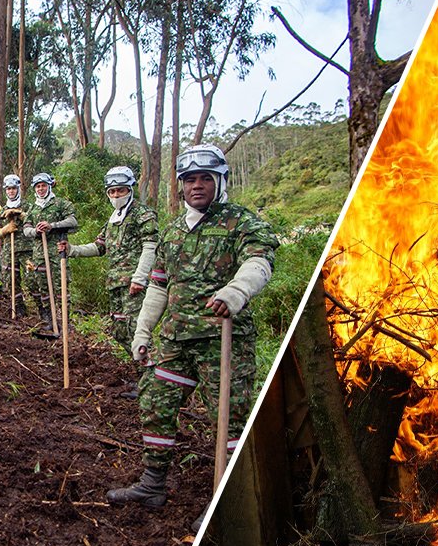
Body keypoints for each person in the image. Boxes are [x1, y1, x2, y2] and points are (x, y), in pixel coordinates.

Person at [106, 144, 278, 525]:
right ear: (180, 185)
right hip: (175, 339)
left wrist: (236, 291)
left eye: (205, 179)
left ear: (219, 181)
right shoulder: (172, 231)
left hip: (223, 340)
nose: (197, 186)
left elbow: (260, 261)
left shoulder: (241, 222)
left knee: (229, 420)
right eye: (189, 180)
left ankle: (227, 501)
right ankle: (153, 484)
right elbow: (159, 285)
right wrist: (143, 330)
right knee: (155, 402)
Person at [60, 166, 157, 394]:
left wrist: (140, 278)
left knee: (137, 331)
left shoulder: (143, 215)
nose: (116, 196)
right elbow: (99, 246)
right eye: (112, 192)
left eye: (120, 191)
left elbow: (151, 246)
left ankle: (151, 382)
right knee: (120, 331)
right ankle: (143, 375)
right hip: (115, 284)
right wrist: (72, 249)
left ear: (130, 189)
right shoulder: (113, 219)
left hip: (135, 284)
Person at [22, 172, 78, 331]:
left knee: (62, 286)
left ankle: (65, 320)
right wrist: (36, 231)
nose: (41, 189)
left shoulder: (61, 203)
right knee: (43, 287)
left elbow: (73, 221)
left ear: (49, 186)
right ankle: (48, 319)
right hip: (39, 253)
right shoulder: (32, 208)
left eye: (43, 186)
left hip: (58, 252)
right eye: (38, 186)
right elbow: (26, 229)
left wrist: (52, 225)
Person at [0, 174, 32, 315]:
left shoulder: (28, 205)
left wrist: (21, 214)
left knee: (32, 280)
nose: (11, 191)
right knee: (10, 281)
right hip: (9, 251)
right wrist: (5, 229)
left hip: (27, 249)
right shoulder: (2, 210)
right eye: (9, 189)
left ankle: (43, 310)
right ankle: (18, 307)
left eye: (13, 189)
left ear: (18, 189)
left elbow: (34, 221)